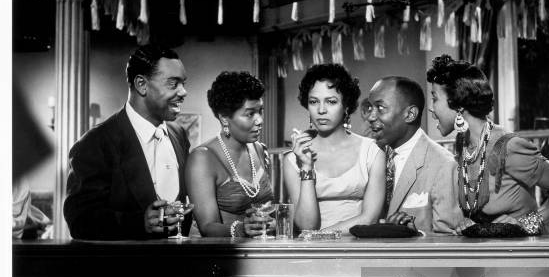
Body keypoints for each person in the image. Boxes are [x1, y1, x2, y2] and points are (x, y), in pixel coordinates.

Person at [426, 54, 549, 234]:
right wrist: (470, 224)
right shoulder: (464, 145)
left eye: (435, 98)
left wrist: (526, 224)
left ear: (458, 104)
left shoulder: (509, 147)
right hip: (492, 253)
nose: (431, 107)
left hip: (527, 254)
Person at [64, 44, 191, 240]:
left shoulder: (179, 135)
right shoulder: (95, 143)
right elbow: (80, 220)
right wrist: (139, 223)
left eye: (184, 83)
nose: (183, 92)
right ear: (141, 84)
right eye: (173, 84)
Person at [285, 63, 385, 233]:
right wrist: (307, 167)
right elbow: (307, 226)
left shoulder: (371, 152)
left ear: (346, 106)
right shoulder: (293, 159)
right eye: (314, 102)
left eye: (331, 102)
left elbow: (370, 218)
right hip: (312, 253)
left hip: (360, 247)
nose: (321, 110)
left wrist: (321, 238)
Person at [367, 76, 463, 234]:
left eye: (380, 108)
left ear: (410, 114)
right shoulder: (371, 155)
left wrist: (414, 234)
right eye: (370, 108)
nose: (371, 117)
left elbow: (450, 238)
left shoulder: (443, 164)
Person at [186, 71, 274, 237]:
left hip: (259, 251)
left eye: (260, 111)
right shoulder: (202, 158)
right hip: (220, 255)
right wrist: (241, 229)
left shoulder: (259, 149)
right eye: (250, 114)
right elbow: (207, 226)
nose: (260, 120)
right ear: (225, 118)